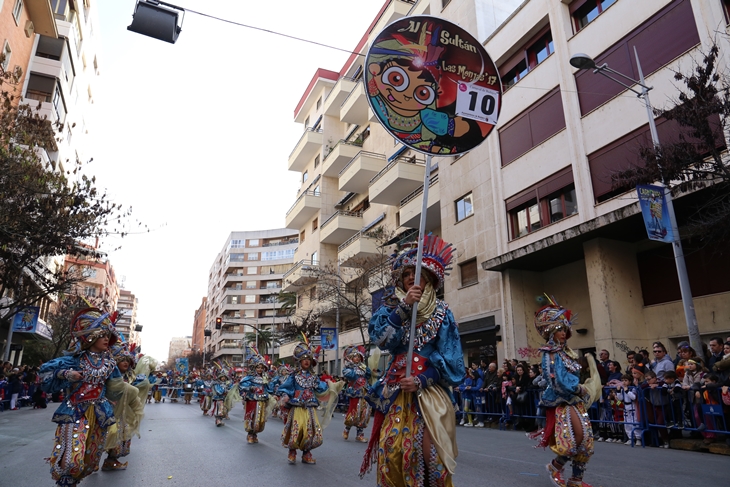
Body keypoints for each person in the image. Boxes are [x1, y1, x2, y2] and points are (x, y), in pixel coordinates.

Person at [360, 234, 465, 487]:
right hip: (396, 393)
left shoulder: (443, 313)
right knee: (392, 454)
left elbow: (453, 362)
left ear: (428, 278)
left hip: (429, 393)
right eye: (406, 273)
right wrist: (403, 309)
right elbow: (383, 341)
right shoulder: (389, 311)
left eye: (416, 273)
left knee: (433, 459)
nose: (410, 277)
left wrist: (422, 379)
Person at [39, 308, 142, 487]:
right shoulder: (76, 360)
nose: (105, 339)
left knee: (89, 460)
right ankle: (66, 481)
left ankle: (74, 480)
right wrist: (66, 374)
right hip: (75, 412)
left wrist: (117, 397)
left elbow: (116, 389)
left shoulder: (110, 364)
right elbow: (45, 373)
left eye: (107, 336)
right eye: (102, 335)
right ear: (90, 337)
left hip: (100, 414)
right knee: (72, 459)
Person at [530, 297, 601, 487]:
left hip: (574, 399)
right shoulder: (550, 353)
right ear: (551, 332)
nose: (564, 332)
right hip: (561, 401)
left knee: (585, 441)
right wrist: (579, 388)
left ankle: (576, 480)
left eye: (564, 329)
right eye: (560, 329)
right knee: (573, 439)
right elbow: (557, 381)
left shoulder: (566, 352)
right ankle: (555, 466)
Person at [278, 340, 341, 465]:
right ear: (299, 361)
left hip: (310, 407)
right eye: (303, 358)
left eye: (308, 359)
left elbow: (321, 388)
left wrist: (333, 386)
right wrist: (285, 396)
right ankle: (292, 451)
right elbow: (286, 387)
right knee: (297, 429)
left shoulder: (314, 377)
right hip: (297, 407)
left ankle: (306, 453)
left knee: (310, 431)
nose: (306, 361)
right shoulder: (294, 376)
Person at [102, 342, 151, 471]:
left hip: (125, 414)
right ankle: (94, 461)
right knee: (106, 435)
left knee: (123, 437)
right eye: (122, 360)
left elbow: (136, 391)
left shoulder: (133, 377)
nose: (125, 363)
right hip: (108, 411)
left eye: (127, 360)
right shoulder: (109, 376)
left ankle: (110, 460)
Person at [237, 347, 274, 444]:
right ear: (254, 368)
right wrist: (250, 388)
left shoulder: (265, 378)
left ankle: (255, 434)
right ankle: (250, 434)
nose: (260, 369)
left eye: (262, 368)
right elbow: (242, 385)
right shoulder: (250, 377)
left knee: (259, 418)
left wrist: (272, 392)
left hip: (262, 400)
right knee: (252, 417)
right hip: (252, 399)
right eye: (258, 367)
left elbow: (268, 388)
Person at [342, 345, 372, 442]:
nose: (357, 358)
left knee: (364, 413)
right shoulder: (347, 368)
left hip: (364, 392)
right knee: (354, 412)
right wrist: (356, 369)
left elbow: (368, 376)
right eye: (355, 356)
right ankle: (347, 429)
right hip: (355, 392)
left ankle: (360, 434)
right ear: (350, 358)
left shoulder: (363, 367)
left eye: (359, 356)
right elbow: (350, 376)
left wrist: (367, 370)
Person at [615, 374, 641, 445]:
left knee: (634, 423)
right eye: (622, 380)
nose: (624, 382)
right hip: (626, 407)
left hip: (633, 407)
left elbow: (633, 397)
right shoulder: (623, 389)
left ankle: (638, 438)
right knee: (627, 424)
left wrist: (627, 391)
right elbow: (620, 399)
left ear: (630, 381)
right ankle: (630, 438)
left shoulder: (633, 388)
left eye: (625, 380)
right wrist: (618, 391)